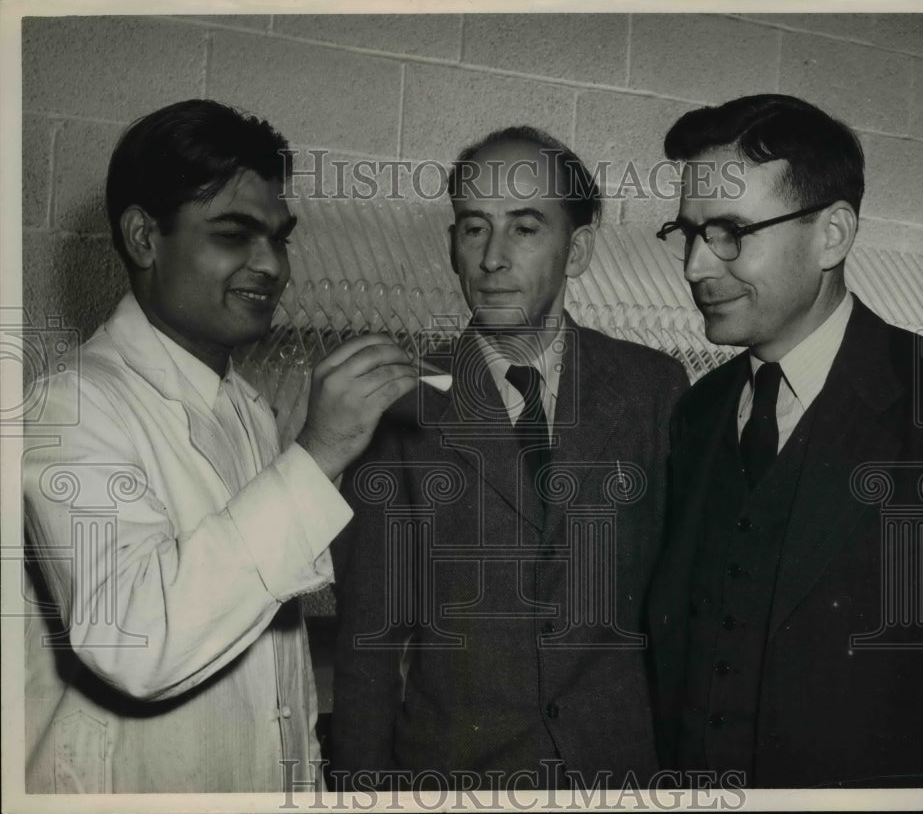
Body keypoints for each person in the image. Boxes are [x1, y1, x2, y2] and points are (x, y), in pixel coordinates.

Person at [21, 99, 419, 793]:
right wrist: (318, 453)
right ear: (144, 237)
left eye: (279, 236)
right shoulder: (69, 407)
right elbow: (133, 640)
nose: (272, 264)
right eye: (234, 234)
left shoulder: (245, 408)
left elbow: (275, 679)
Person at [328, 126, 689, 789]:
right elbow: (366, 652)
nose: (492, 258)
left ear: (576, 250)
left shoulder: (652, 390)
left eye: (524, 228)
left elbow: (681, 618)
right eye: (473, 229)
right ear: (453, 247)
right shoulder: (401, 410)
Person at [646, 94, 923, 788]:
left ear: (832, 235)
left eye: (731, 232)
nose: (695, 269)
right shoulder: (699, 412)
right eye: (688, 233)